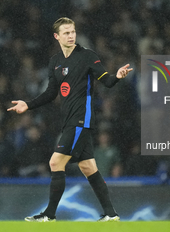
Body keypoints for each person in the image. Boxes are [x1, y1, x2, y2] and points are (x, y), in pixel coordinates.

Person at [7, 17, 132, 222]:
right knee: (88, 167)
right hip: (69, 121)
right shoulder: (55, 62)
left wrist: (117, 76)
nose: (71, 35)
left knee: (55, 162)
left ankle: (49, 215)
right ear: (57, 36)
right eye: (66, 33)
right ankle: (111, 214)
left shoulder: (87, 56)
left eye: (73, 31)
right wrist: (27, 104)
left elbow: (107, 81)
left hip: (81, 120)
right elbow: (50, 93)